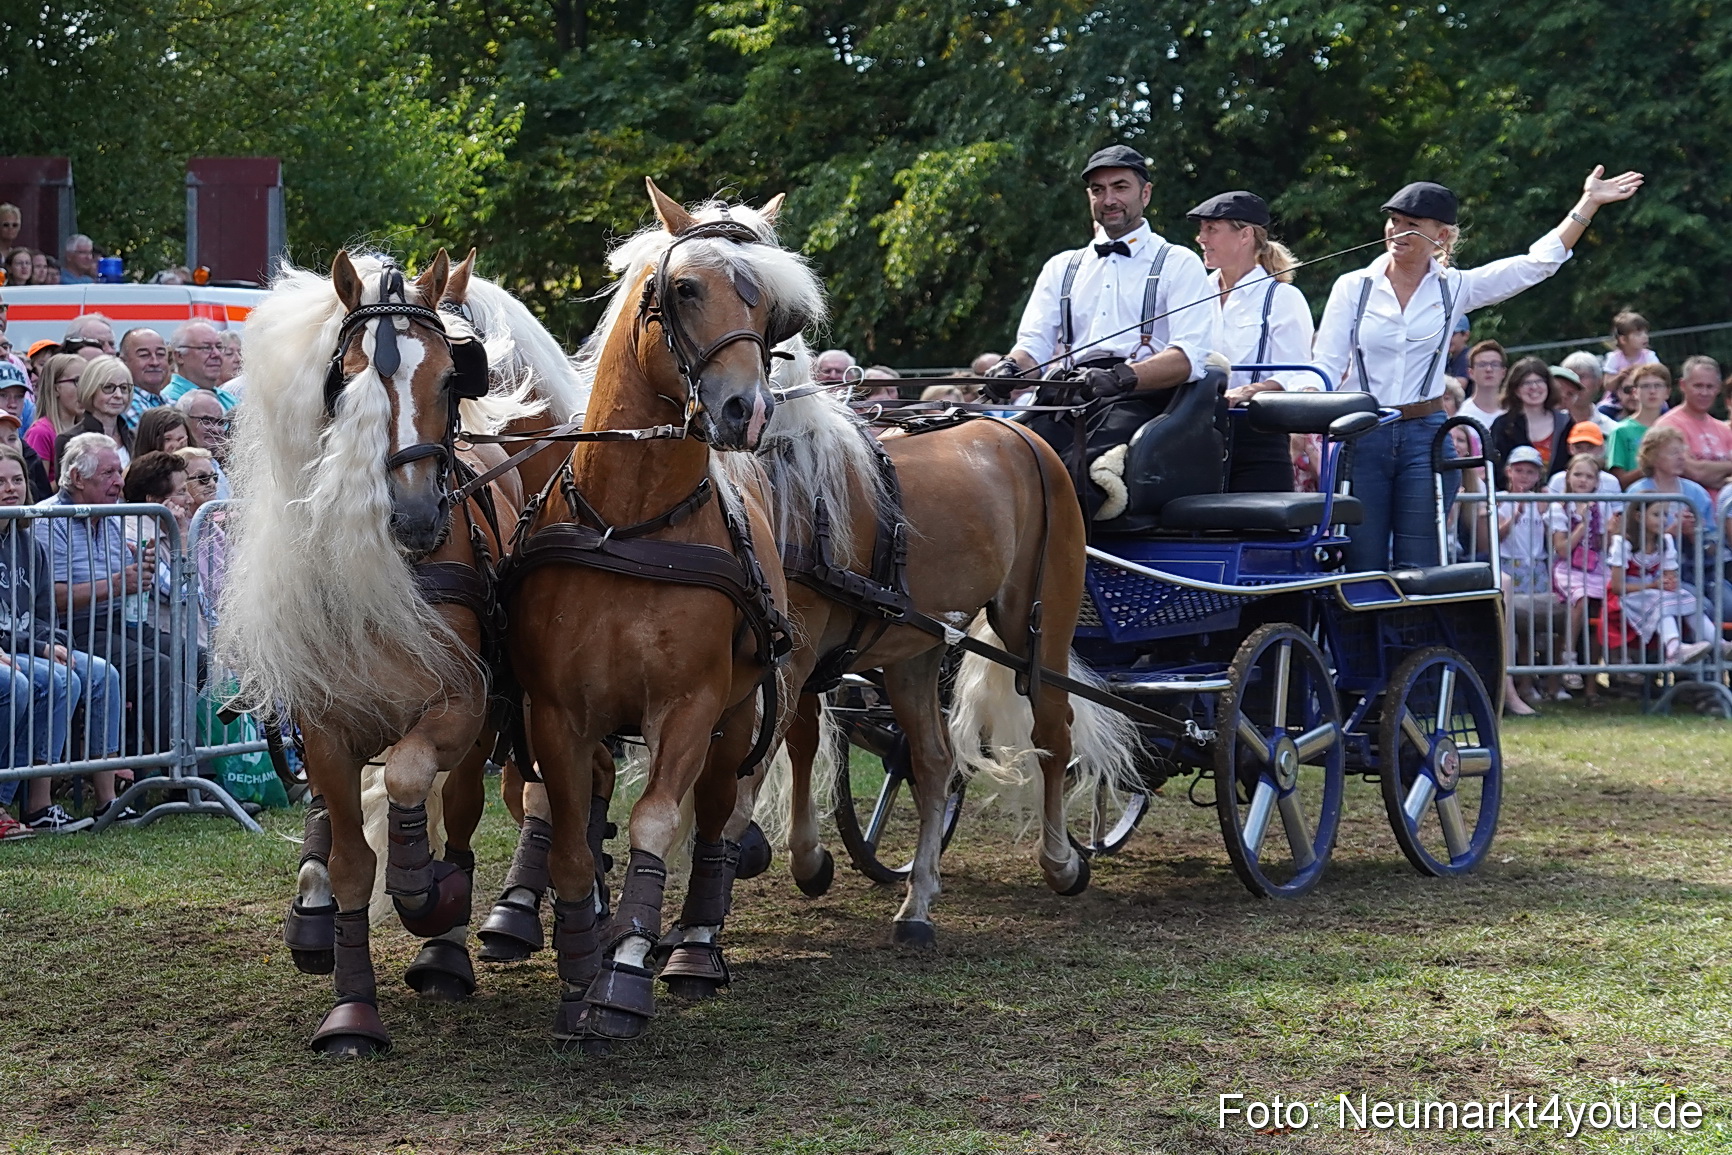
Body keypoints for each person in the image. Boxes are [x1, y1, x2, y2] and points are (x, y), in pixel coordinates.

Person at [1313, 166, 1645, 570]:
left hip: (1424, 433)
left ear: (1441, 235)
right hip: (1363, 432)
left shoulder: (1455, 286)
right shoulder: (1353, 286)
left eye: (1412, 225)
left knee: (1421, 562)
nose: (1397, 231)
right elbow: (1325, 366)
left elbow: (1535, 265)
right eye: (1394, 221)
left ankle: (1418, 615)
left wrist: (1588, 203)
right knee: (1361, 557)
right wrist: (1303, 410)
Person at [987, 144, 1218, 520]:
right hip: (1067, 395)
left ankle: (1070, 558)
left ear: (1145, 193)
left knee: (1071, 475)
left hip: (1141, 400)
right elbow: (1033, 346)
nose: (1109, 199)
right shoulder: (1062, 266)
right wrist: (1010, 368)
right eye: (1098, 190)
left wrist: (1122, 377)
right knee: (994, 462)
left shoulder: (1178, 262)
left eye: (1120, 187)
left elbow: (1188, 358)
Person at [0, 444, 126, 830]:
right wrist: (38, 646)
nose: (10, 488)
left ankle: (107, 801)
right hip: (10, 650)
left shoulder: (28, 543)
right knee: (49, 681)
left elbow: (43, 615)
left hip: (26, 645)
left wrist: (51, 642)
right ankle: (20, 802)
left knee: (103, 673)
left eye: (17, 480)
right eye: (0, 482)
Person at [1189, 189, 1315, 492]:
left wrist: (1248, 390)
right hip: (1194, 437)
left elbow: (1297, 375)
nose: (1201, 238)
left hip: (1258, 439)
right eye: (1202, 229)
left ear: (1245, 235)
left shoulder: (1282, 298)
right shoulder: (1193, 294)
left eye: (1211, 229)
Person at [1488, 446, 1560, 714]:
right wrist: (1515, 514)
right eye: (1519, 470)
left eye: (1530, 471)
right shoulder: (1500, 499)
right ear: (1509, 471)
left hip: (1536, 567)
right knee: (1513, 624)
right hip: (1510, 565)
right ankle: (1514, 684)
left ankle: (1529, 683)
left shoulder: (1543, 501)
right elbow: (1496, 536)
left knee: (1532, 626)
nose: (1524, 476)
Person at [1608, 499, 1715, 666]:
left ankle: (1718, 643)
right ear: (1638, 517)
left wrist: (1670, 581)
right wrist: (1653, 585)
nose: (1663, 520)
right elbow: (1617, 587)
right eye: (1656, 515)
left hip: (1654, 591)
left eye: (1665, 515)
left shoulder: (1665, 540)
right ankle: (1674, 648)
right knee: (1661, 601)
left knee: (1687, 597)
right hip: (1628, 595)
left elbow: (1669, 573)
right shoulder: (1623, 543)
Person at [1548, 453, 1620, 693]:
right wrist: (1583, 525)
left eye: (1589, 476)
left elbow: (1602, 546)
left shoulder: (1601, 507)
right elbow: (1562, 549)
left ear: (1596, 482)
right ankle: (1569, 656)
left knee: (1609, 599)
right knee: (1581, 597)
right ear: (1568, 477)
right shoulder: (1560, 508)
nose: (1582, 480)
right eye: (1578, 474)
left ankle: (1606, 666)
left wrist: (1610, 532)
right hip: (1568, 568)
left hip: (1595, 566)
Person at [1652, 355, 1732, 500]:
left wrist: (1706, 470)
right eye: (1698, 386)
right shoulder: (1668, 426)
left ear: (1718, 388)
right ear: (1682, 385)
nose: (1704, 393)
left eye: (1710, 386)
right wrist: (1725, 473)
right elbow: (1694, 471)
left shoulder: (1725, 430)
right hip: (1686, 511)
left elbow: (1698, 471)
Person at [1489, 357, 1573, 486]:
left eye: (1539, 381)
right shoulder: (1503, 425)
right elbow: (1497, 470)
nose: (1534, 387)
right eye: (1526, 383)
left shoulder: (1565, 422)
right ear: (1516, 390)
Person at [54, 356, 135, 468]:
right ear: (90, 390)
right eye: (108, 387)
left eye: (124, 388)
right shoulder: (69, 440)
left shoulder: (134, 438)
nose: (118, 395)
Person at [1605, 363, 1671, 486]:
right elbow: (1618, 482)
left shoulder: (1673, 429)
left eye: (1658, 385)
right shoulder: (1620, 430)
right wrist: (1650, 466)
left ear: (1667, 392)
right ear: (1635, 392)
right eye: (1645, 386)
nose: (1652, 391)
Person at [24, 353, 88, 477]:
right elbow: (38, 485)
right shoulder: (40, 433)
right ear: (55, 388)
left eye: (87, 382)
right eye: (78, 381)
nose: (85, 389)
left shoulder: (86, 430)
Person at [163, 322, 240, 410]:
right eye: (206, 347)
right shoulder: (168, 402)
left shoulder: (230, 400)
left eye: (219, 347)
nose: (217, 354)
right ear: (180, 356)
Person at [177, 391, 232, 497]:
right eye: (206, 421)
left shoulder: (220, 466)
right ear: (184, 420)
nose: (216, 429)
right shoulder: (177, 471)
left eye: (220, 422)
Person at [1551, 362, 1619, 441]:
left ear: (1599, 382)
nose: (1563, 396)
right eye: (1558, 389)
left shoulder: (1613, 429)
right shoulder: (1549, 423)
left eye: (1570, 393)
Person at [118, 328, 171, 423]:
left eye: (160, 354)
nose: (155, 362)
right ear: (124, 362)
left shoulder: (170, 402)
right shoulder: (123, 404)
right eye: (144, 355)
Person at [1456, 340, 1507, 432]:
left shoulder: (1513, 413)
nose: (1489, 369)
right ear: (1470, 373)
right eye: (1482, 365)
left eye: (1495, 364)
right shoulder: (1462, 416)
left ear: (1503, 372)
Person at [1559, 351, 1611, 432]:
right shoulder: (1551, 425)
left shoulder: (1611, 429)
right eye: (1570, 376)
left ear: (1599, 382)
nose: (1576, 382)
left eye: (1581, 376)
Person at [1603, 310, 1659, 376]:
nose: (1645, 336)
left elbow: (1658, 376)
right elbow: (1607, 382)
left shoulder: (1649, 356)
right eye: (1638, 334)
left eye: (1646, 333)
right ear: (1623, 339)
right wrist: (1620, 376)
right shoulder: (1614, 357)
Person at [1445, 314, 1472, 378]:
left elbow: (1461, 382)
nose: (1447, 339)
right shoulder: (1451, 359)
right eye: (1445, 335)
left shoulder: (1468, 357)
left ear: (1465, 335)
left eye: (1452, 334)